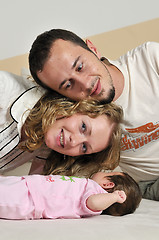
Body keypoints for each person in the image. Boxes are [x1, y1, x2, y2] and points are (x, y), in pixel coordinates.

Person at [29, 29, 159, 198]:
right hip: (145, 185)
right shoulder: (72, 117)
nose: (85, 83)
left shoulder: (148, 59)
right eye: (68, 85)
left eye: (80, 66)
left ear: (93, 49)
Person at [0, 71, 122, 175]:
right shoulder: (5, 88)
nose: (74, 142)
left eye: (84, 147)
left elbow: (33, 188)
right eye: (83, 127)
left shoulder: (47, 145)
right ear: (75, 106)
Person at [0, 171, 142, 220]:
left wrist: (114, 197)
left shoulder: (94, 193)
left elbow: (93, 203)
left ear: (108, 184)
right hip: (30, 184)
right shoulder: (87, 185)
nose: (102, 172)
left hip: (31, 200)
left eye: (107, 172)